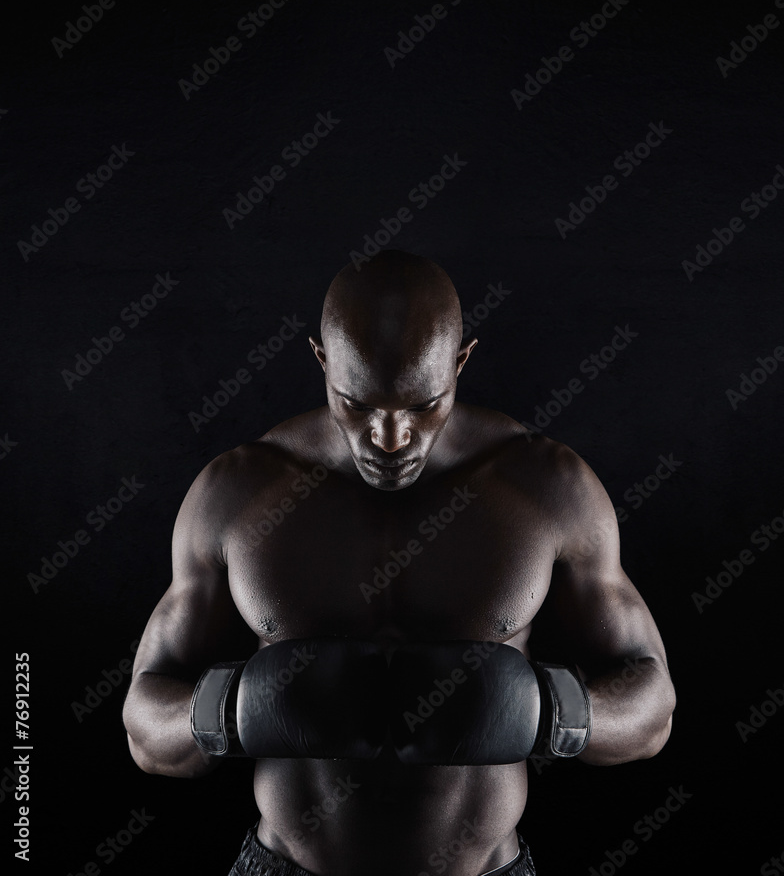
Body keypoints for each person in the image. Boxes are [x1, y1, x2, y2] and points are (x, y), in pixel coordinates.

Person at [122, 250, 676, 876]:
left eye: (423, 404)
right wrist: (228, 709)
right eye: (358, 404)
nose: (390, 438)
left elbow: (653, 709)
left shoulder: (547, 488)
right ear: (321, 361)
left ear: (461, 362)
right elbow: (144, 726)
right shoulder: (239, 494)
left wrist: (547, 712)